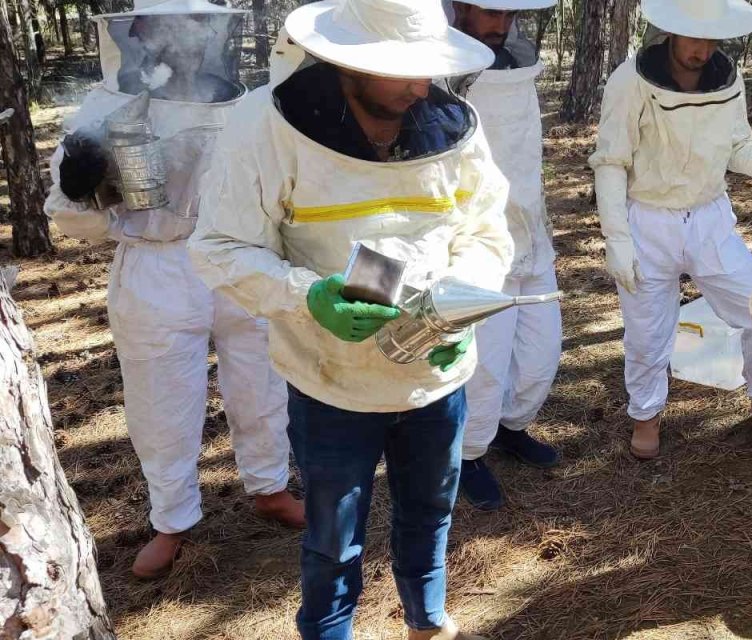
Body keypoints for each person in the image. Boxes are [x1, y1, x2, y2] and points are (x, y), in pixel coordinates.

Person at [186, 0, 511, 637]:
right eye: (400, 70)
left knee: (430, 512)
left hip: (434, 375)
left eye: (427, 69)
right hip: (328, 378)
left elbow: (485, 227)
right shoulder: (266, 124)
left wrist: (463, 304)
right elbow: (218, 245)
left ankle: (428, 620)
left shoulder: (456, 121)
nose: (420, 87)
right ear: (347, 61)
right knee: (333, 539)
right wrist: (307, 295)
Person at [44, 0, 301, 580]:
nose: (187, 37)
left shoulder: (250, 102)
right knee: (161, 401)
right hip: (157, 268)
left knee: (263, 382)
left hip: (241, 260)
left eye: (200, 24)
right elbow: (67, 212)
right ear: (137, 30)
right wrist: (83, 188)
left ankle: (270, 487)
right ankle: (172, 521)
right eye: (167, 24)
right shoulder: (105, 106)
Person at [589, 0, 752, 459]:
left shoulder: (729, 78)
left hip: (709, 218)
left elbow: (737, 149)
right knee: (646, 332)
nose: (701, 49)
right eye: (693, 37)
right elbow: (611, 161)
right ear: (671, 32)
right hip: (648, 219)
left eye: (710, 39)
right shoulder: (630, 80)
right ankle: (646, 416)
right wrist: (617, 238)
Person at [445, 0, 562, 512]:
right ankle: (468, 454)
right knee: (485, 364)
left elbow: (524, 157)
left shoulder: (519, 71)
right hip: (478, 240)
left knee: (540, 355)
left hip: (531, 232)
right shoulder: (439, 71)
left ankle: (511, 428)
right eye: (491, 13)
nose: (502, 25)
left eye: (511, 16)